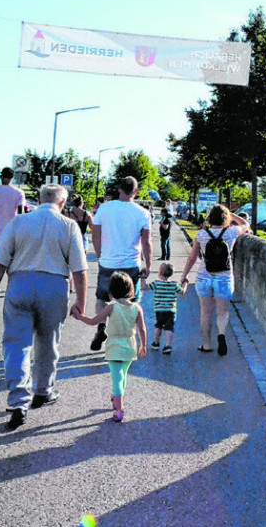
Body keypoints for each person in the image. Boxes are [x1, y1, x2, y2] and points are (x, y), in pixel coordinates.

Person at [0, 184, 89, 431]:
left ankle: (18, 401)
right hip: (54, 287)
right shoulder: (69, 225)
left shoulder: (18, 222)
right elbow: (80, 270)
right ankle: (43, 391)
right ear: (63, 204)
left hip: (20, 284)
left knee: (17, 344)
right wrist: (80, 302)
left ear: (39, 199)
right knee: (48, 342)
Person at [73, 271, 146, 422]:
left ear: (111, 291)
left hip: (114, 346)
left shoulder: (111, 307)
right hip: (129, 345)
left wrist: (80, 317)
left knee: (116, 377)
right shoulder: (137, 308)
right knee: (123, 375)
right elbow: (142, 328)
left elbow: (94, 321)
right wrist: (143, 346)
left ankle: (119, 409)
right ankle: (116, 397)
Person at [89, 177, 152, 352]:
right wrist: (148, 264)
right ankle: (127, 340)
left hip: (107, 262)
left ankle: (101, 326)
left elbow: (95, 234)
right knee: (131, 302)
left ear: (119, 189)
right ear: (136, 191)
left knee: (102, 299)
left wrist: (100, 254)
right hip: (131, 263)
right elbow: (146, 243)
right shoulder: (142, 213)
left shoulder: (104, 208)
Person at [180, 205, 249, 355]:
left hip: (204, 277)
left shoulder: (201, 235)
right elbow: (246, 225)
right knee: (222, 312)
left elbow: (192, 257)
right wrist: (231, 214)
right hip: (224, 277)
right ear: (226, 219)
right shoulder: (231, 232)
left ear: (209, 218)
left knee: (205, 312)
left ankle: (207, 344)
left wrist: (184, 275)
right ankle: (221, 334)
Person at [147, 262, 183, 353]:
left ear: (160, 273)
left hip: (159, 310)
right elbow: (182, 292)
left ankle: (156, 343)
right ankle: (167, 346)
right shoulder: (175, 285)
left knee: (158, 325)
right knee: (169, 327)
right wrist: (185, 284)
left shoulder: (156, 283)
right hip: (170, 311)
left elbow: (144, 287)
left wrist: (143, 278)